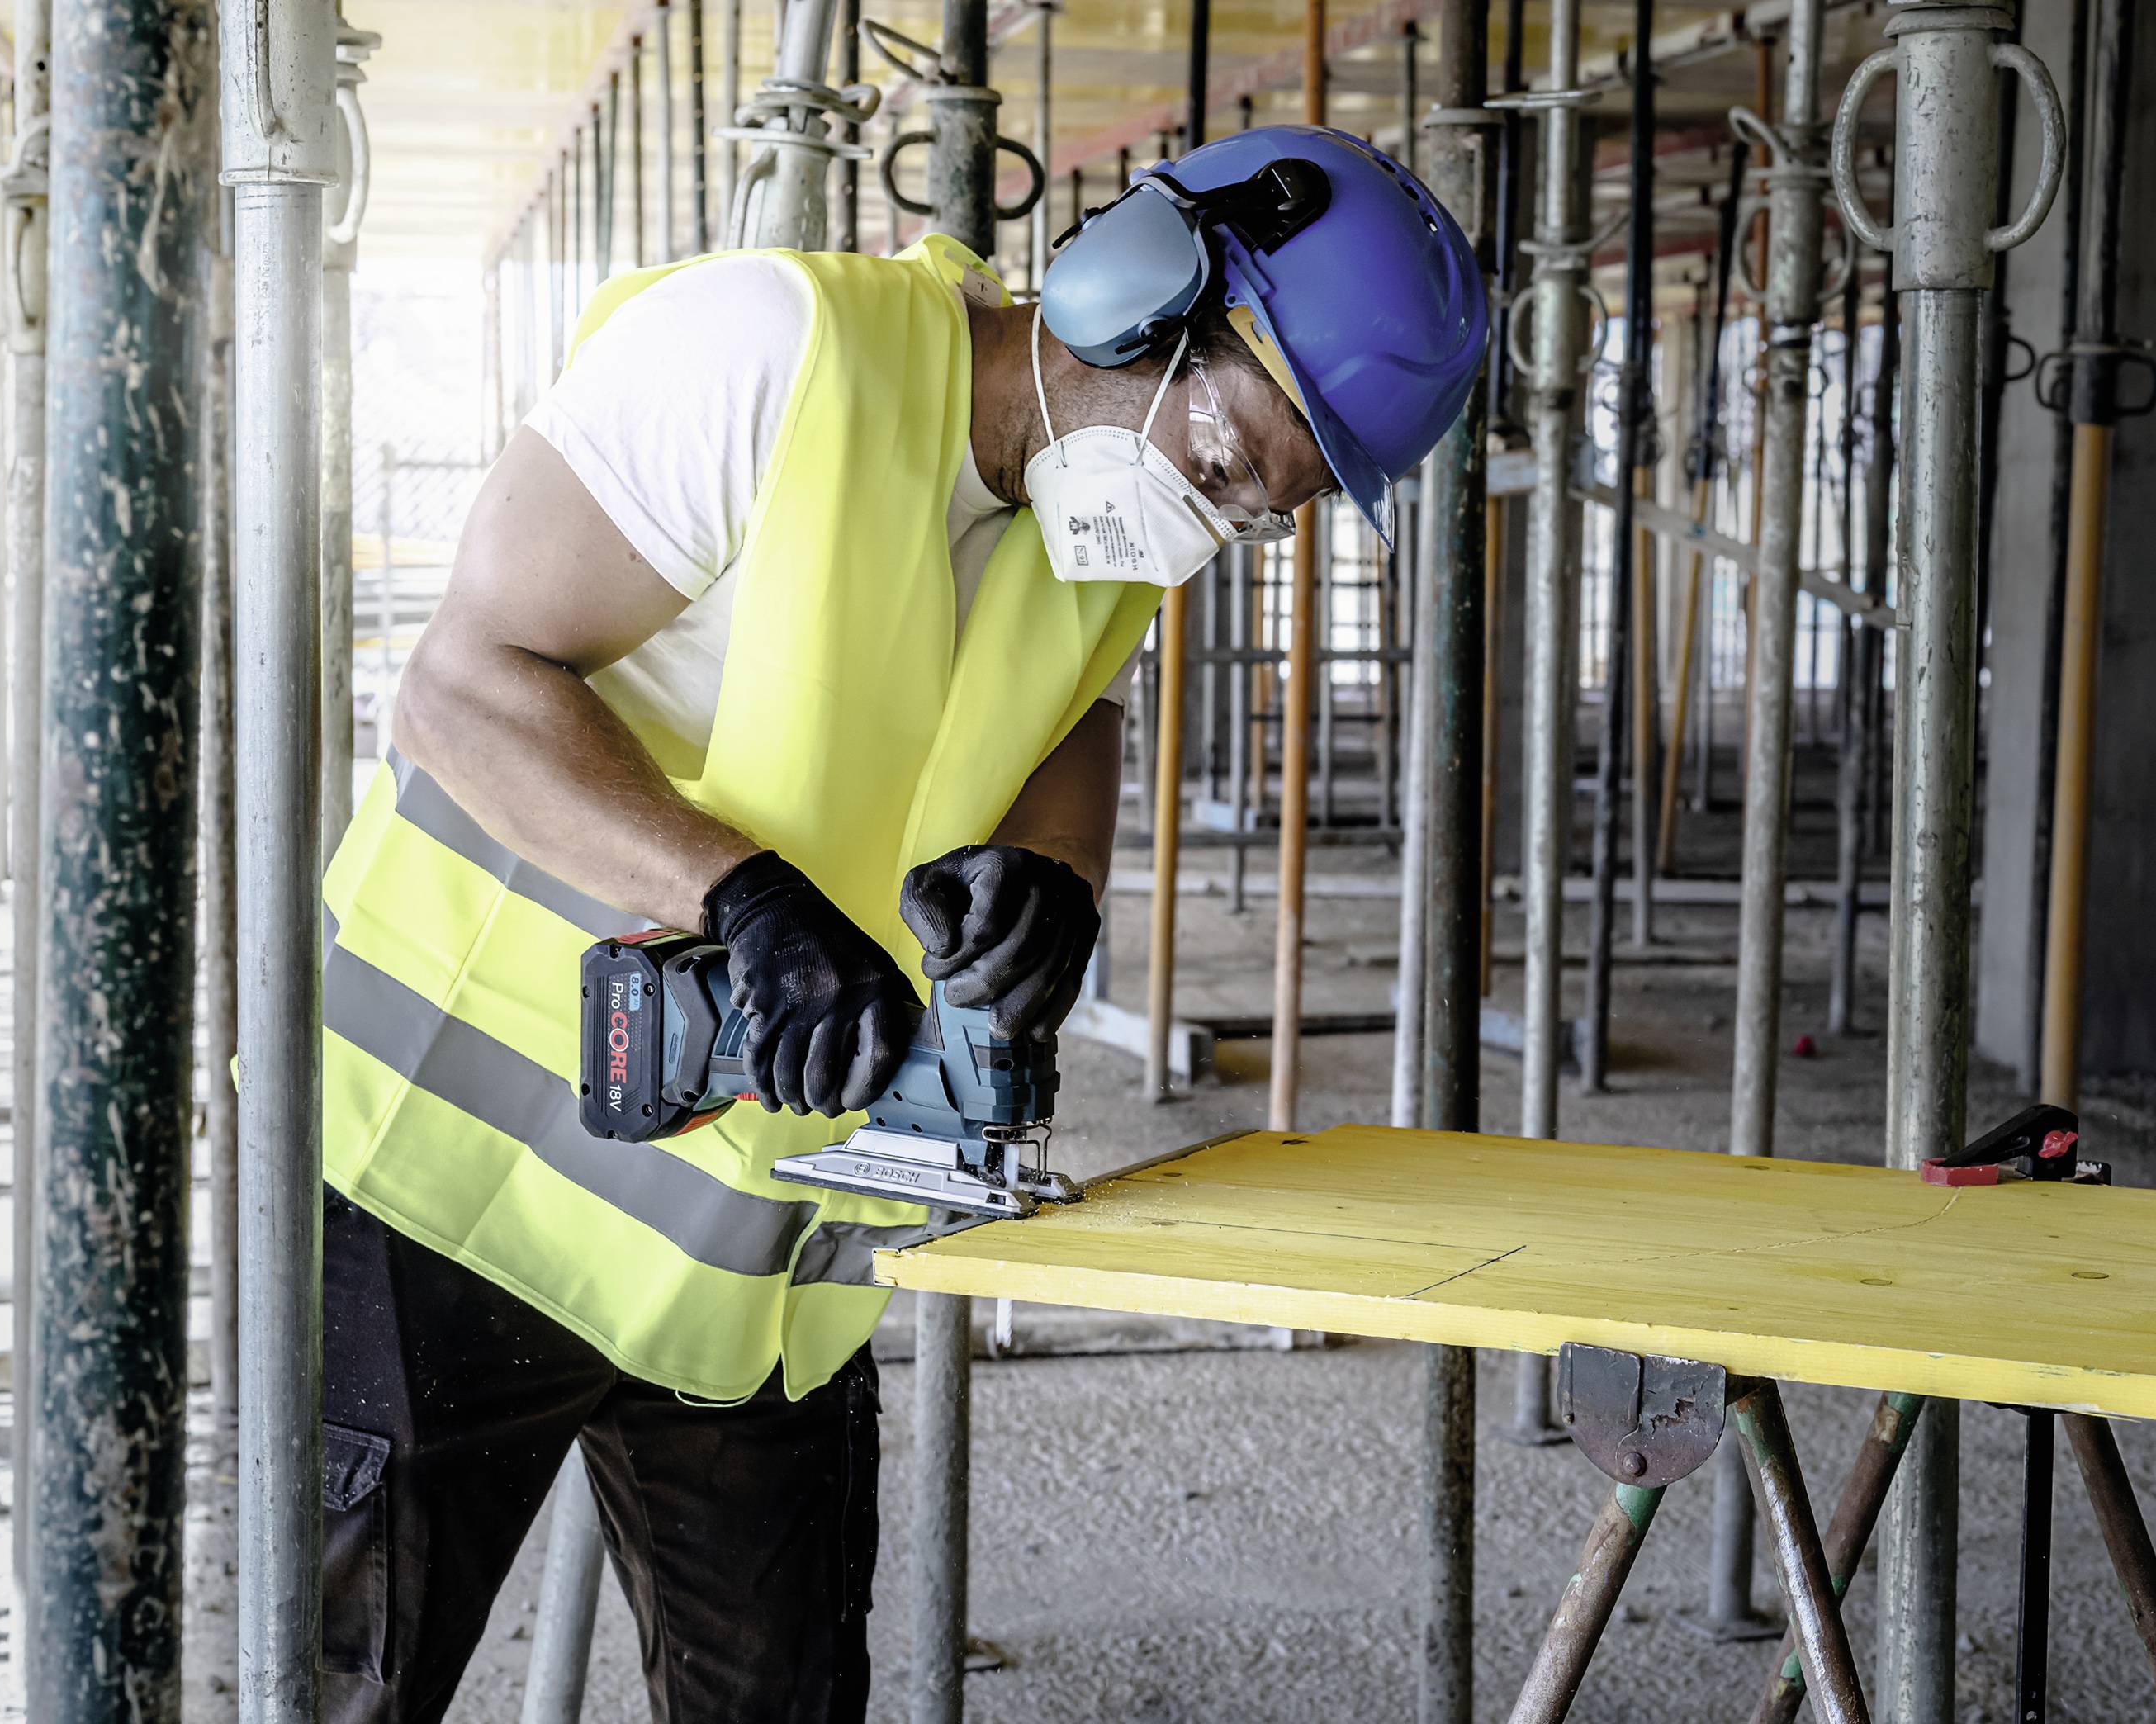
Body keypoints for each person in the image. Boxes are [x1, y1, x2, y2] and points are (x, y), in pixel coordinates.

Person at [313, 123, 1488, 1722]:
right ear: (1138, 290)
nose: (1208, 522)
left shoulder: (1101, 538)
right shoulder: (770, 354)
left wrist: (1055, 886)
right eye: (1222, 464)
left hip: (743, 1273)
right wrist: (740, 901)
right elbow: (466, 688)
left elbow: (1073, 720)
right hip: (446, 1202)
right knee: (342, 1695)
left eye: (1257, 514)